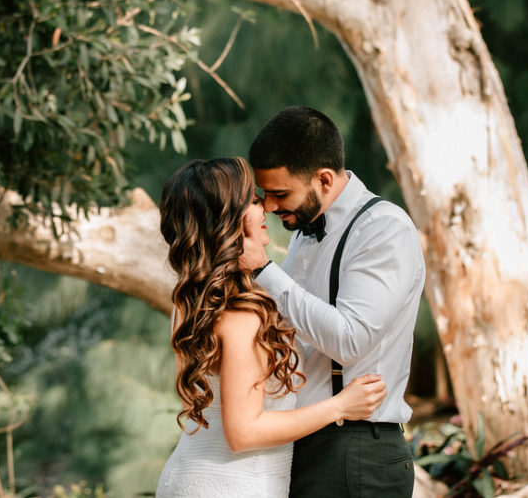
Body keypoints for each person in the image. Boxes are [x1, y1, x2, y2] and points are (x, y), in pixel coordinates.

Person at [155, 157, 387, 498]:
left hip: (188, 474)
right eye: (251, 200)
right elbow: (243, 432)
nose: (264, 206)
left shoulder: (190, 301)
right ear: (226, 219)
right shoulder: (241, 316)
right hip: (233, 487)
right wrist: (341, 405)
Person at [238, 106, 426, 497]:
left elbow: (350, 339)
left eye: (280, 193)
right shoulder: (305, 233)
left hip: (355, 451)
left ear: (324, 178)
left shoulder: (382, 229)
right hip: (305, 441)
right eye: (266, 194)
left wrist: (263, 269)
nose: (270, 207)